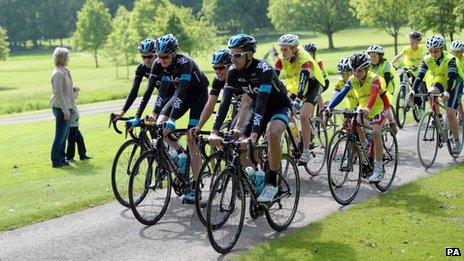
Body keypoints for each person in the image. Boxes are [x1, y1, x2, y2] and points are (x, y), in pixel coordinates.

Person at [209, 34, 292, 203]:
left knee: (273, 133)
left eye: (237, 55)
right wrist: (214, 131)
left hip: (278, 107)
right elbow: (224, 103)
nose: (233, 59)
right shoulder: (232, 71)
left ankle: (271, 183)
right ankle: (256, 175)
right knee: (237, 140)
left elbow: (261, 103)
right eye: (231, 54)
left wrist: (253, 136)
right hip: (258, 109)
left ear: (249, 54)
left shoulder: (264, 70)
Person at [127, 34, 209, 203]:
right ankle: (181, 154)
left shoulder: (185, 63)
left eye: (165, 56)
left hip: (197, 95)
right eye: (159, 56)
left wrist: (172, 119)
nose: (161, 60)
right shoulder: (158, 64)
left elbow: (182, 91)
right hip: (180, 94)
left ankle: (195, 187)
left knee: (191, 136)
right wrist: (137, 116)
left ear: (174, 53)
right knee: (159, 126)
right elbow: (148, 92)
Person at [326, 52, 390, 182]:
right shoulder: (352, 80)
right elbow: (341, 94)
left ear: (367, 69)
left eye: (360, 70)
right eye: (354, 70)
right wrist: (329, 107)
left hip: (380, 106)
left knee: (376, 132)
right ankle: (365, 145)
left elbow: (373, 96)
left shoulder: (374, 78)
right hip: (363, 106)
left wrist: (367, 108)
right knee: (355, 122)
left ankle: (378, 169)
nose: (356, 73)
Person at [273, 34, 325, 163]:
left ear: (294, 49)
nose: (283, 52)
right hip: (296, 87)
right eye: (281, 49)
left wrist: (298, 100)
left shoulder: (304, 59)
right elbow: (272, 77)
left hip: (313, 85)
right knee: (286, 111)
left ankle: (306, 151)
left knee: (303, 115)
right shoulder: (281, 59)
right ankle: (296, 138)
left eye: (286, 49)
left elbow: (304, 81)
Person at [411, 35, 464, 152]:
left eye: (436, 51)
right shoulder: (427, 59)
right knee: (430, 92)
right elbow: (419, 76)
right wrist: (413, 90)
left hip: (455, 82)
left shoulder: (451, 59)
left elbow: (451, 78)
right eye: (431, 51)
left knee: (450, 113)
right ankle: (438, 117)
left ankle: (457, 141)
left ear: (442, 49)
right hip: (440, 79)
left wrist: (447, 92)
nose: (434, 53)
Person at [191, 48, 242, 135]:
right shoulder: (218, 80)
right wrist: (199, 126)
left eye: (221, 67)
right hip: (240, 105)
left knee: (243, 136)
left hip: (252, 105)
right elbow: (210, 104)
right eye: (215, 68)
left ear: (231, 66)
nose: (217, 71)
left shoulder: (240, 77)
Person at [113, 39, 157, 121]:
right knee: (151, 124)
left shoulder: (163, 66)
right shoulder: (141, 68)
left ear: (156, 55)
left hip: (175, 95)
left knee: (159, 122)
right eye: (144, 57)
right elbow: (133, 92)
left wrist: (138, 116)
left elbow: (148, 93)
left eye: (150, 56)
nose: (147, 60)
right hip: (163, 96)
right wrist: (122, 112)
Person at [50, 47, 75, 168]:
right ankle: (56, 161)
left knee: (64, 135)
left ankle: (62, 159)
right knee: (60, 135)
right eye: (67, 57)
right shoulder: (58, 73)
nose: (69, 59)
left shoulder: (65, 71)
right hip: (60, 108)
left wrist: (72, 105)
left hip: (67, 107)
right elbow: (58, 94)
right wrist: (65, 110)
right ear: (62, 58)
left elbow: (67, 90)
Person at [367, 45, 397, 133]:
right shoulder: (369, 66)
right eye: (371, 56)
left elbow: (387, 78)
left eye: (375, 56)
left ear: (380, 56)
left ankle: (391, 121)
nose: (372, 58)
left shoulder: (385, 64)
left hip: (387, 87)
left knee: (384, 104)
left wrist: (381, 90)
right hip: (375, 87)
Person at [66, 87, 93, 161]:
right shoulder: (70, 103)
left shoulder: (73, 102)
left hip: (75, 126)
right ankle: (69, 158)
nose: (77, 94)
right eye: (76, 92)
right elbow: (68, 113)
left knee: (80, 140)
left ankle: (83, 156)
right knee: (71, 142)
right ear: (72, 93)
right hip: (71, 127)